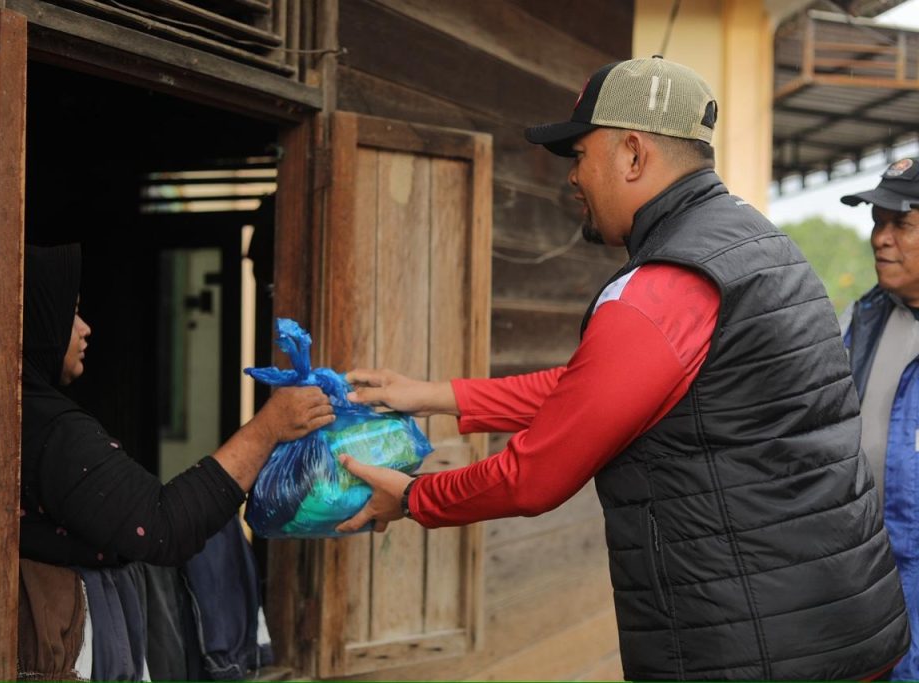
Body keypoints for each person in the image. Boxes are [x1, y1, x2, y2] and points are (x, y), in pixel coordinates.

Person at [334, 56, 909, 680]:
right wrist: (436, 396)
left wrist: (414, 497)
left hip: (751, 646)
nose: (572, 177)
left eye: (580, 154)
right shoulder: (756, 244)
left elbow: (535, 476)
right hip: (836, 627)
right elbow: (602, 390)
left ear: (633, 154)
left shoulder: (667, 281)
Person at [20, 242, 334, 567]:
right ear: (39, 321)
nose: (85, 329)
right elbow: (161, 528)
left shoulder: (32, 415)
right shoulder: (54, 433)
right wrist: (268, 429)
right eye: (71, 313)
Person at [840, 158, 919, 681]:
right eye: (877, 221)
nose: (880, 238)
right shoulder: (858, 321)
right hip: (867, 584)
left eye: (901, 223)